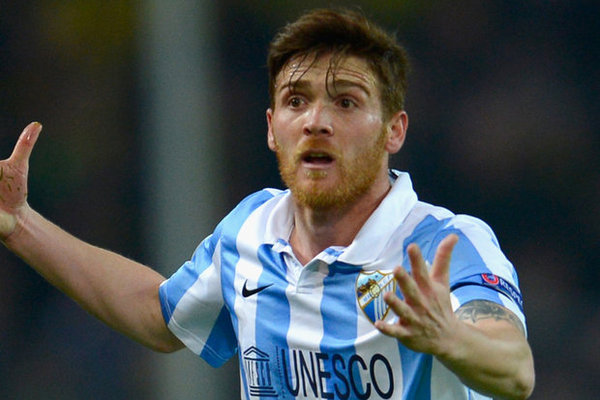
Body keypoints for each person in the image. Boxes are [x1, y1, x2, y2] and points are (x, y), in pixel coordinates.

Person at [1, 8, 534, 400]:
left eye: (346, 101)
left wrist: (452, 337)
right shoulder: (251, 231)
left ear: (394, 130)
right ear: (273, 129)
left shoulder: (443, 242)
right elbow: (156, 315)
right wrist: (20, 225)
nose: (316, 121)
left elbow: (515, 369)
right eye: (296, 100)